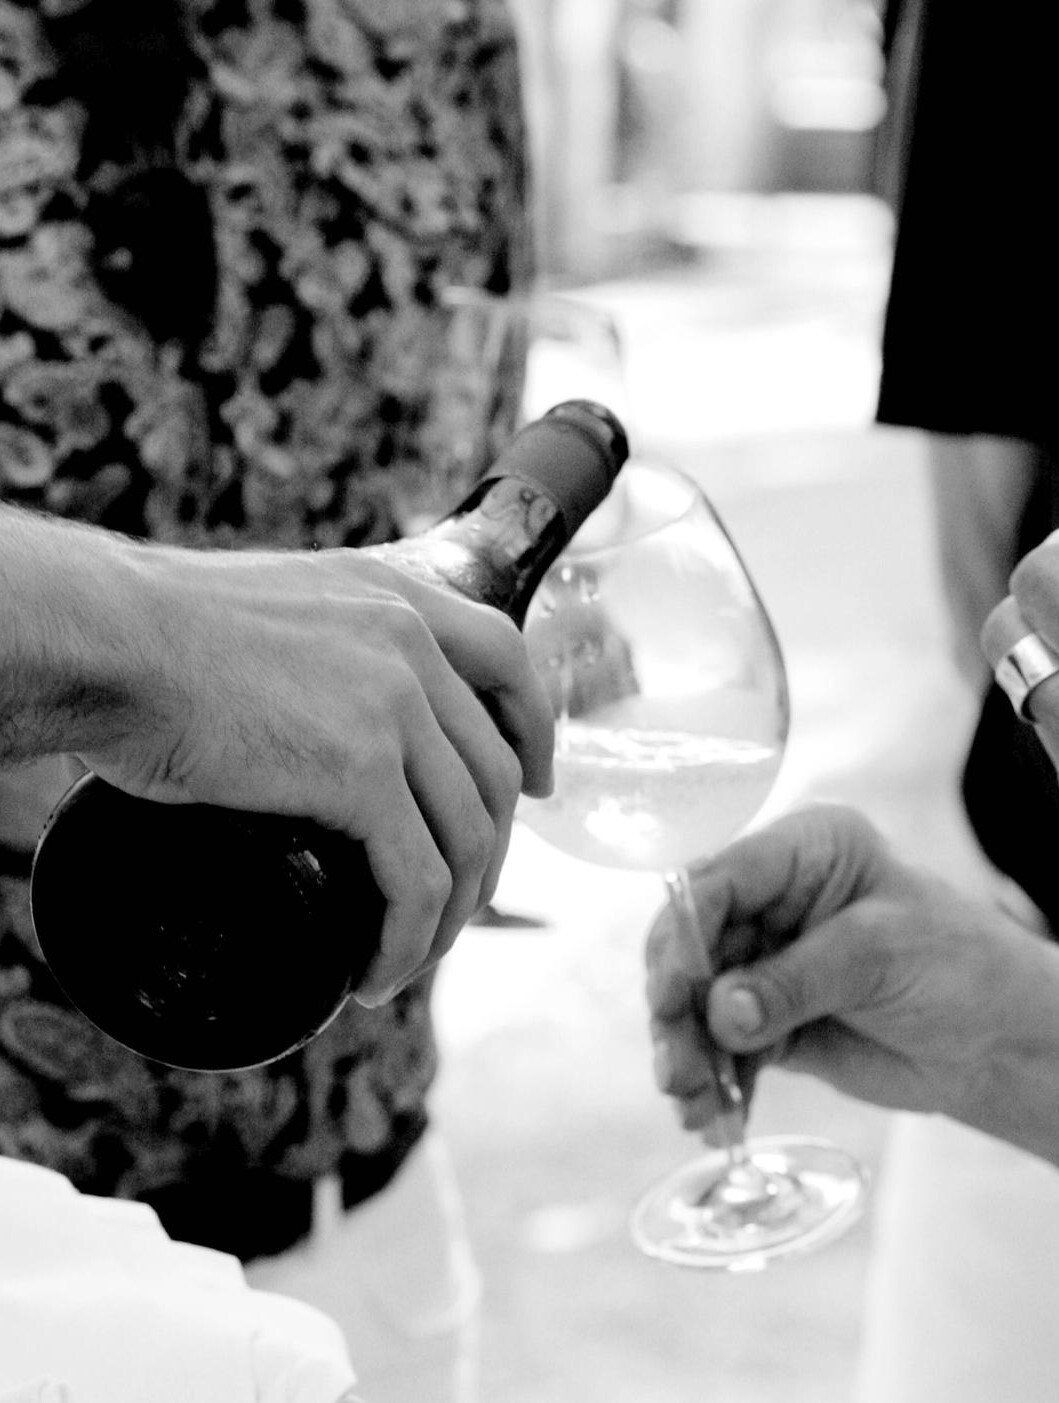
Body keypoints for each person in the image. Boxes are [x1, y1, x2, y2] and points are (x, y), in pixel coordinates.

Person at [0, 4, 533, 1399]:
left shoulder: (444, 26)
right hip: (26, 1258)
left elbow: (461, 451)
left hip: (374, 1209)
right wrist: (143, 648)